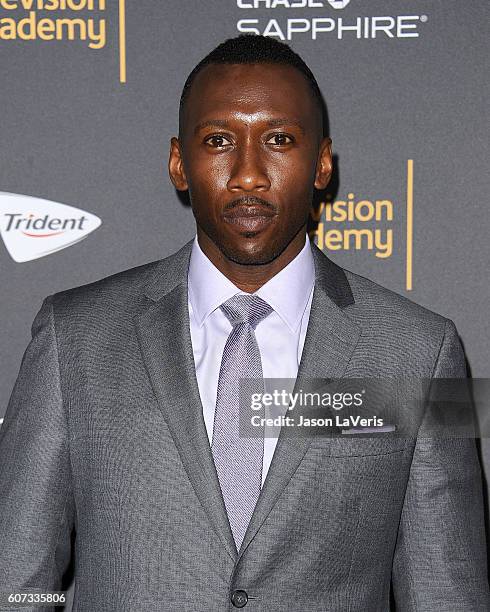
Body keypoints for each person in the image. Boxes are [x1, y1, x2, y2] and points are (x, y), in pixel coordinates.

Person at [0, 34, 488, 612]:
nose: (249, 173)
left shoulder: (421, 352)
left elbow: (446, 591)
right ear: (180, 163)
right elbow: (17, 580)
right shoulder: (74, 336)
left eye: (279, 139)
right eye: (220, 140)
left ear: (322, 163)